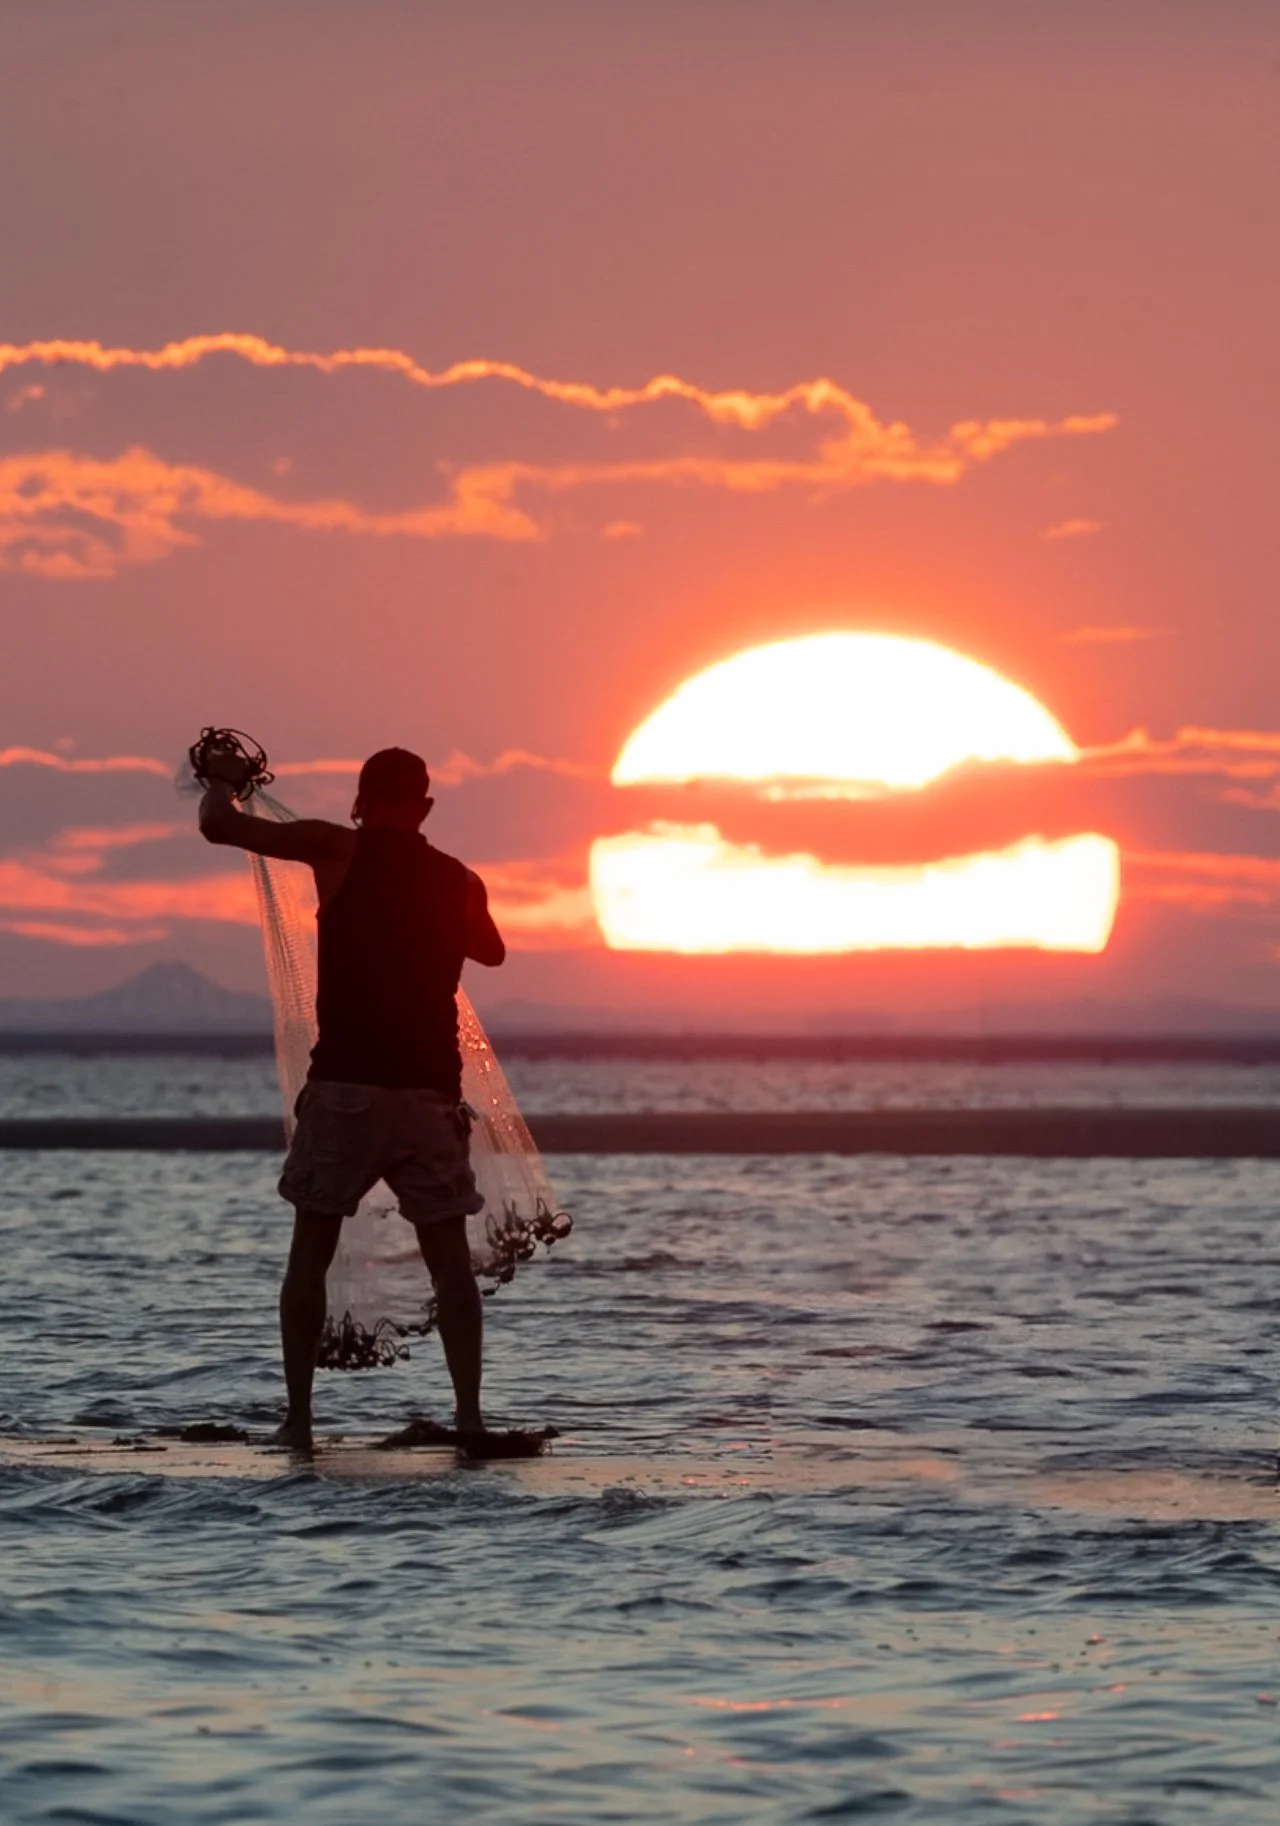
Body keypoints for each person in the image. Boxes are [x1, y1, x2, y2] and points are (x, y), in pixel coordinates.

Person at [197, 744, 505, 1452]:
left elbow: (219, 825)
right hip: (429, 1097)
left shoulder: (335, 848)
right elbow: (491, 952)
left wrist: (219, 778)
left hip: (345, 1093)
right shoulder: (461, 880)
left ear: (361, 801)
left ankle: (300, 1421)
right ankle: (469, 1419)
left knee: (311, 1251)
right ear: (425, 807)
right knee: (449, 1262)